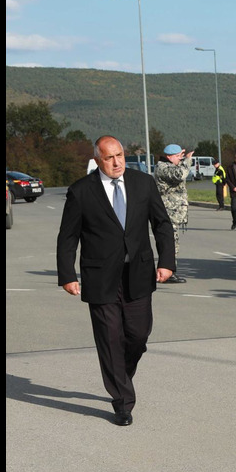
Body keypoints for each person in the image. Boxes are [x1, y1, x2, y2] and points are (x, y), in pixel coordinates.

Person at [57, 135, 176, 426]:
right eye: (109, 157)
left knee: (138, 335)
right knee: (110, 340)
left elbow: (161, 223)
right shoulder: (81, 191)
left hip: (138, 272)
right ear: (98, 160)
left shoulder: (143, 183)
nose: (117, 162)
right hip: (100, 277)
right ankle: (123, 402)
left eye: (120, 155)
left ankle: (120, 373)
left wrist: (167, 262)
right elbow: (68, 236)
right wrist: (67, 274)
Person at [155, 143, 192, 283]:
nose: (179, 159)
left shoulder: (170, 165)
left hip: (174, 212)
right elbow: (180, 174)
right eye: (176, 156)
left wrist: (183, 159)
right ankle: (168, 272)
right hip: (168, 212)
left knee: (173, 243)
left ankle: (171, 270)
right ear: (169, 157)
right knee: (170, 243)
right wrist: (187, 160)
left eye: (180, 156)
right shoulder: (163, 167)